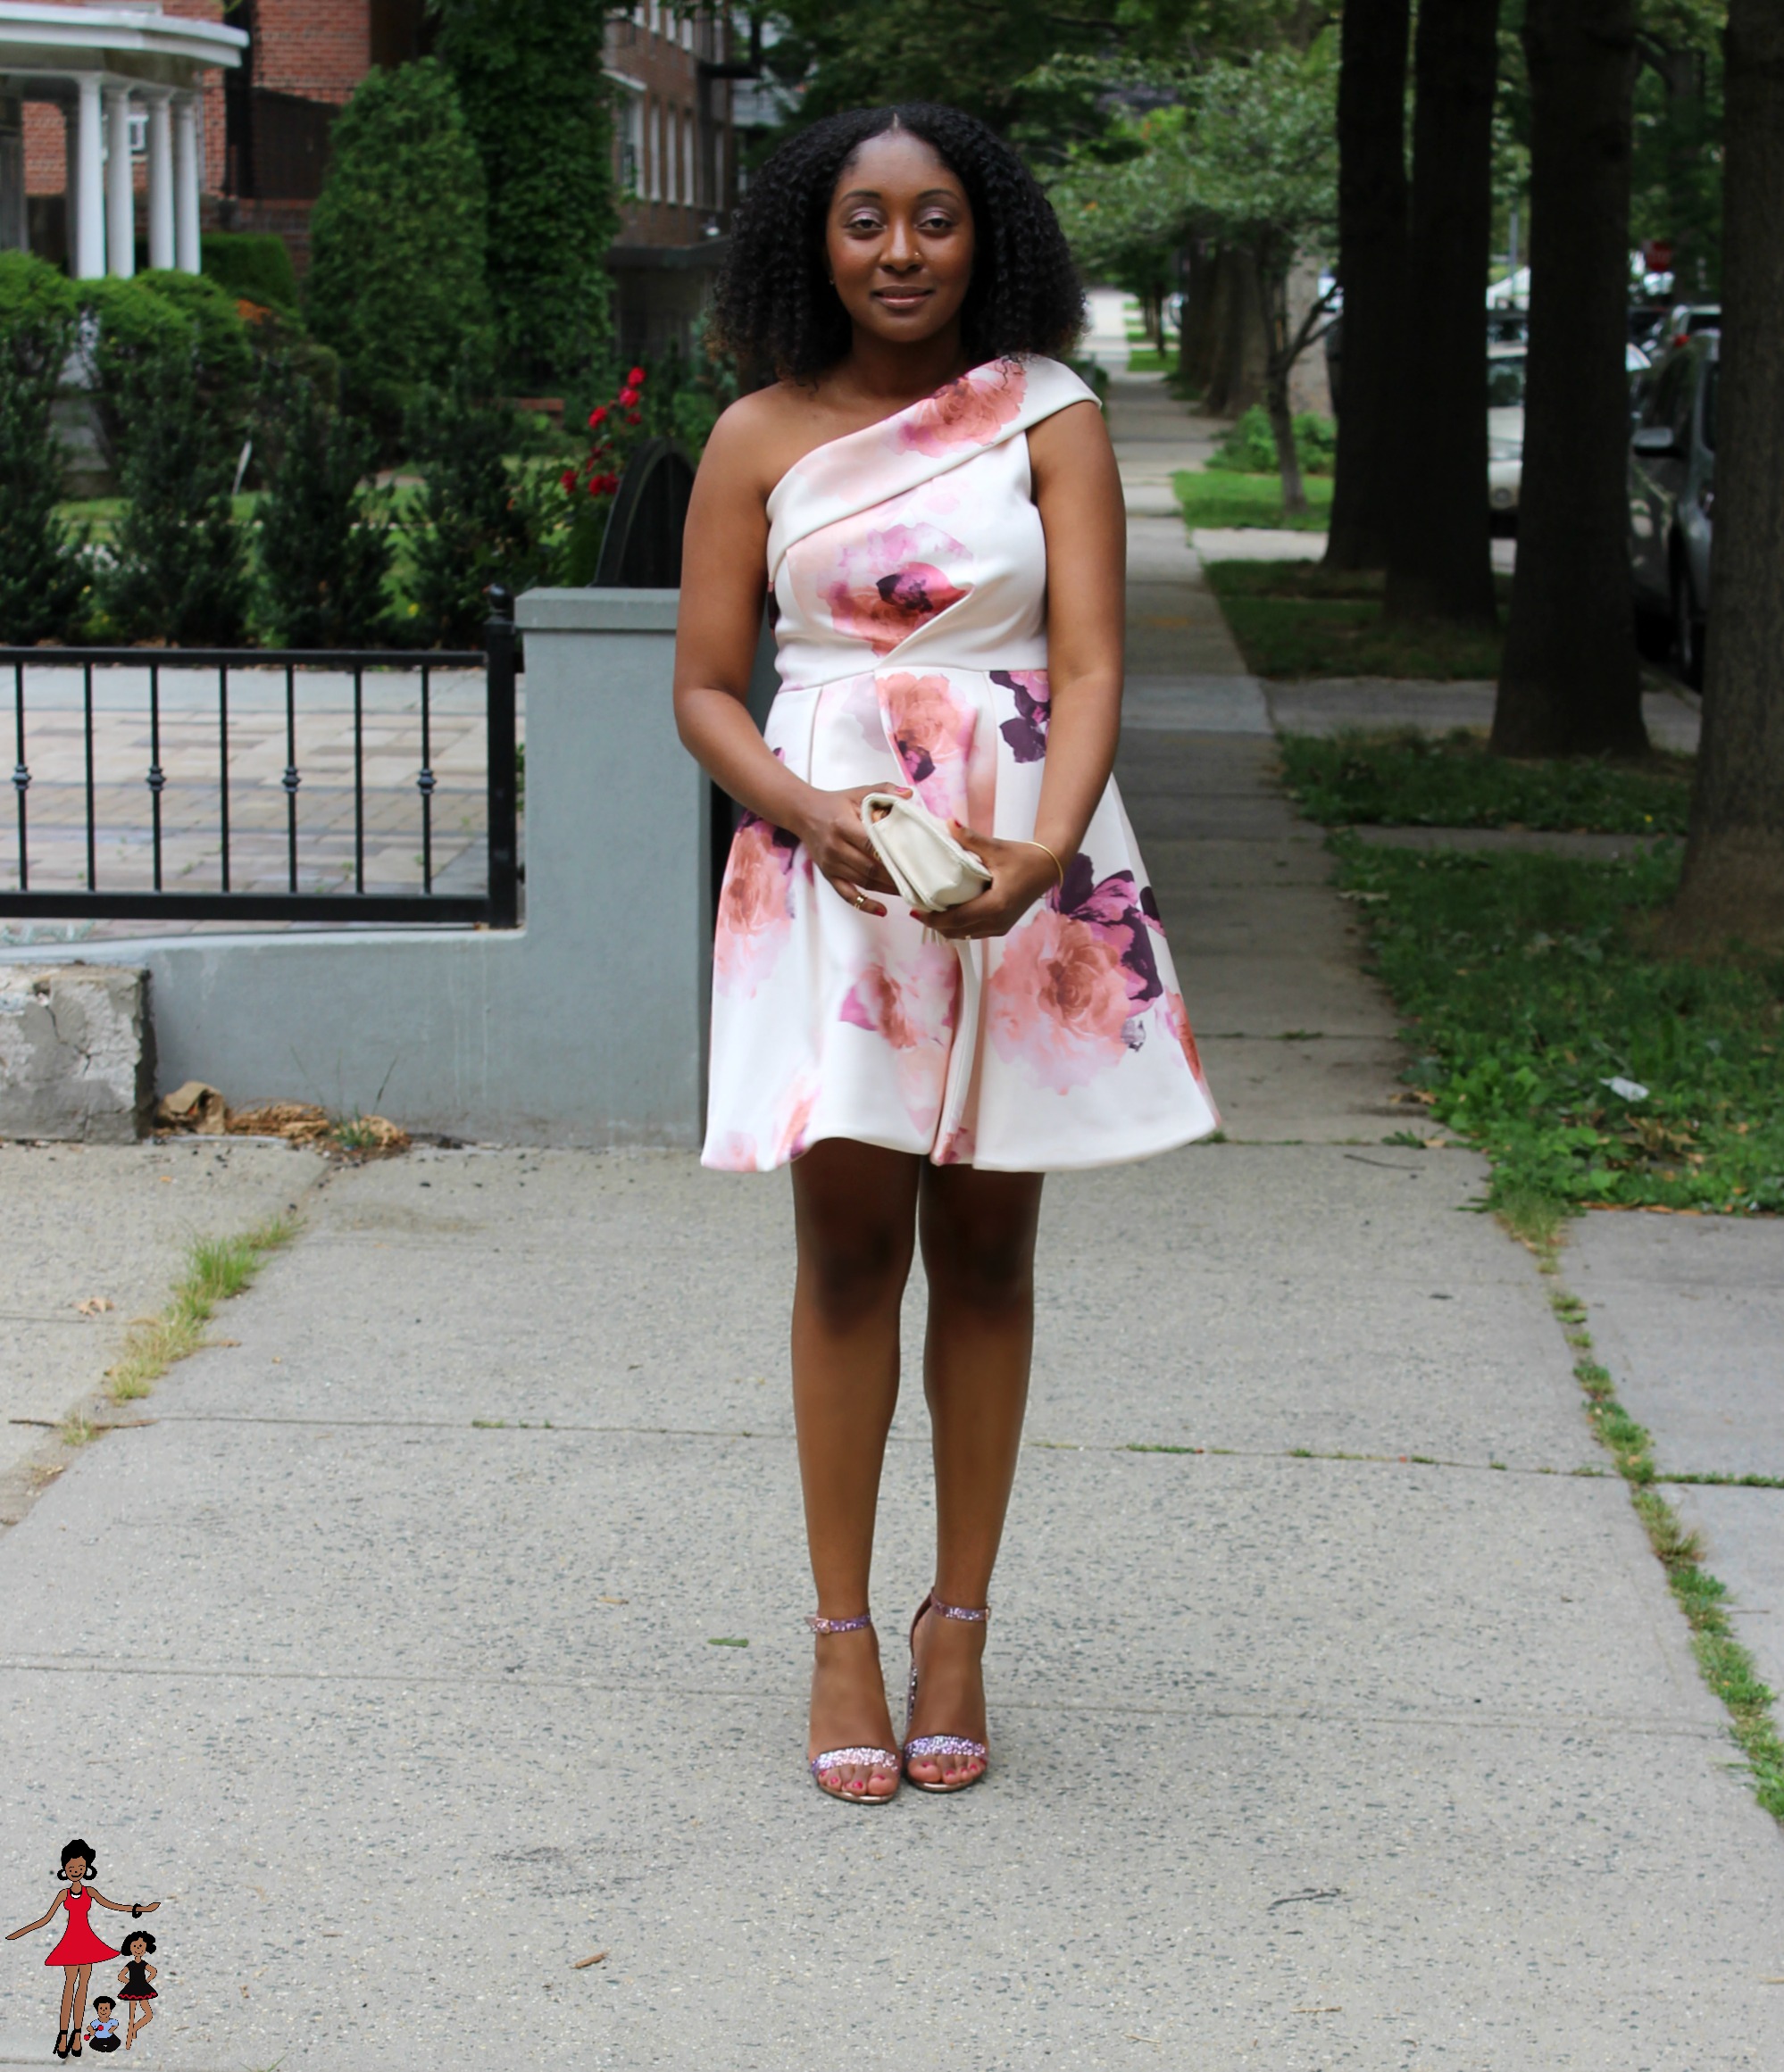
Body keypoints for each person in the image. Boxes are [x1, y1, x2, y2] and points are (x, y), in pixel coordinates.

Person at [674, 103, 1217, 1805]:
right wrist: (805, 805)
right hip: (828, 873)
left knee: (987, 1253)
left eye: (932, 219)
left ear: (985, 237)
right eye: (862, 220)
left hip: (1020, 852)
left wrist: (1045, 851)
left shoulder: (1046, 417)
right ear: (808, 240)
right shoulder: (752, 437)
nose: (899, 251)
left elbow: (1095, 661)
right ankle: (839, 1633)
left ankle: (956, 1625)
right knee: (846, 1254)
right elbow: (703, 683)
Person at [5, 1840, 161, 2060]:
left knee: (82, 1989)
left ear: (86, 1868)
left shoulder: (90, 1891)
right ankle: (62, 2035)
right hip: (71, 1942)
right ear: (64, 1870)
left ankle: (77, 2035)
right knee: (69, 1988)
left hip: (86, 1941)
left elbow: (112, 1905)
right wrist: (21, 1931)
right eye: (71, 1869)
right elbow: (45, 1919)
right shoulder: (63, 1894)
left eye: (79, 1868)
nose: (76, 1872)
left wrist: (139, 1909)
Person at [114, 1929, 158, 2049]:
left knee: (148, 2014)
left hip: (141, 1988)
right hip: (134, 1988)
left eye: (140, 1946)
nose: (138, 1949)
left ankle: (133, 2029)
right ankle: (129, 2038)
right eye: (135, 1946)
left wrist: (145, 1982)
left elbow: (153, 1972)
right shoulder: (131, 1964)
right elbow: (121, 1976)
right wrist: (131, 1983)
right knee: (132, 2014)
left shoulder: (143, 1964)